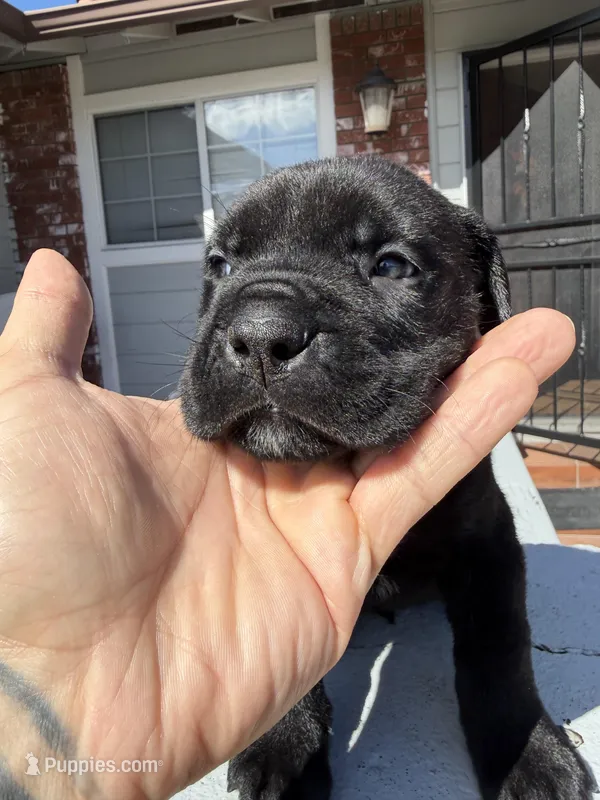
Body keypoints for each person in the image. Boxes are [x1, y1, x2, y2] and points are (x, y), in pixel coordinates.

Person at [0, 249, 574, 800]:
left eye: (390, 264)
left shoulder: (454, 453)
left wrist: (508, 718)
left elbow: (488, 556)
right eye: (225, 266)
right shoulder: (215, 493)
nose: (261, 325)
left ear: (486, 299)